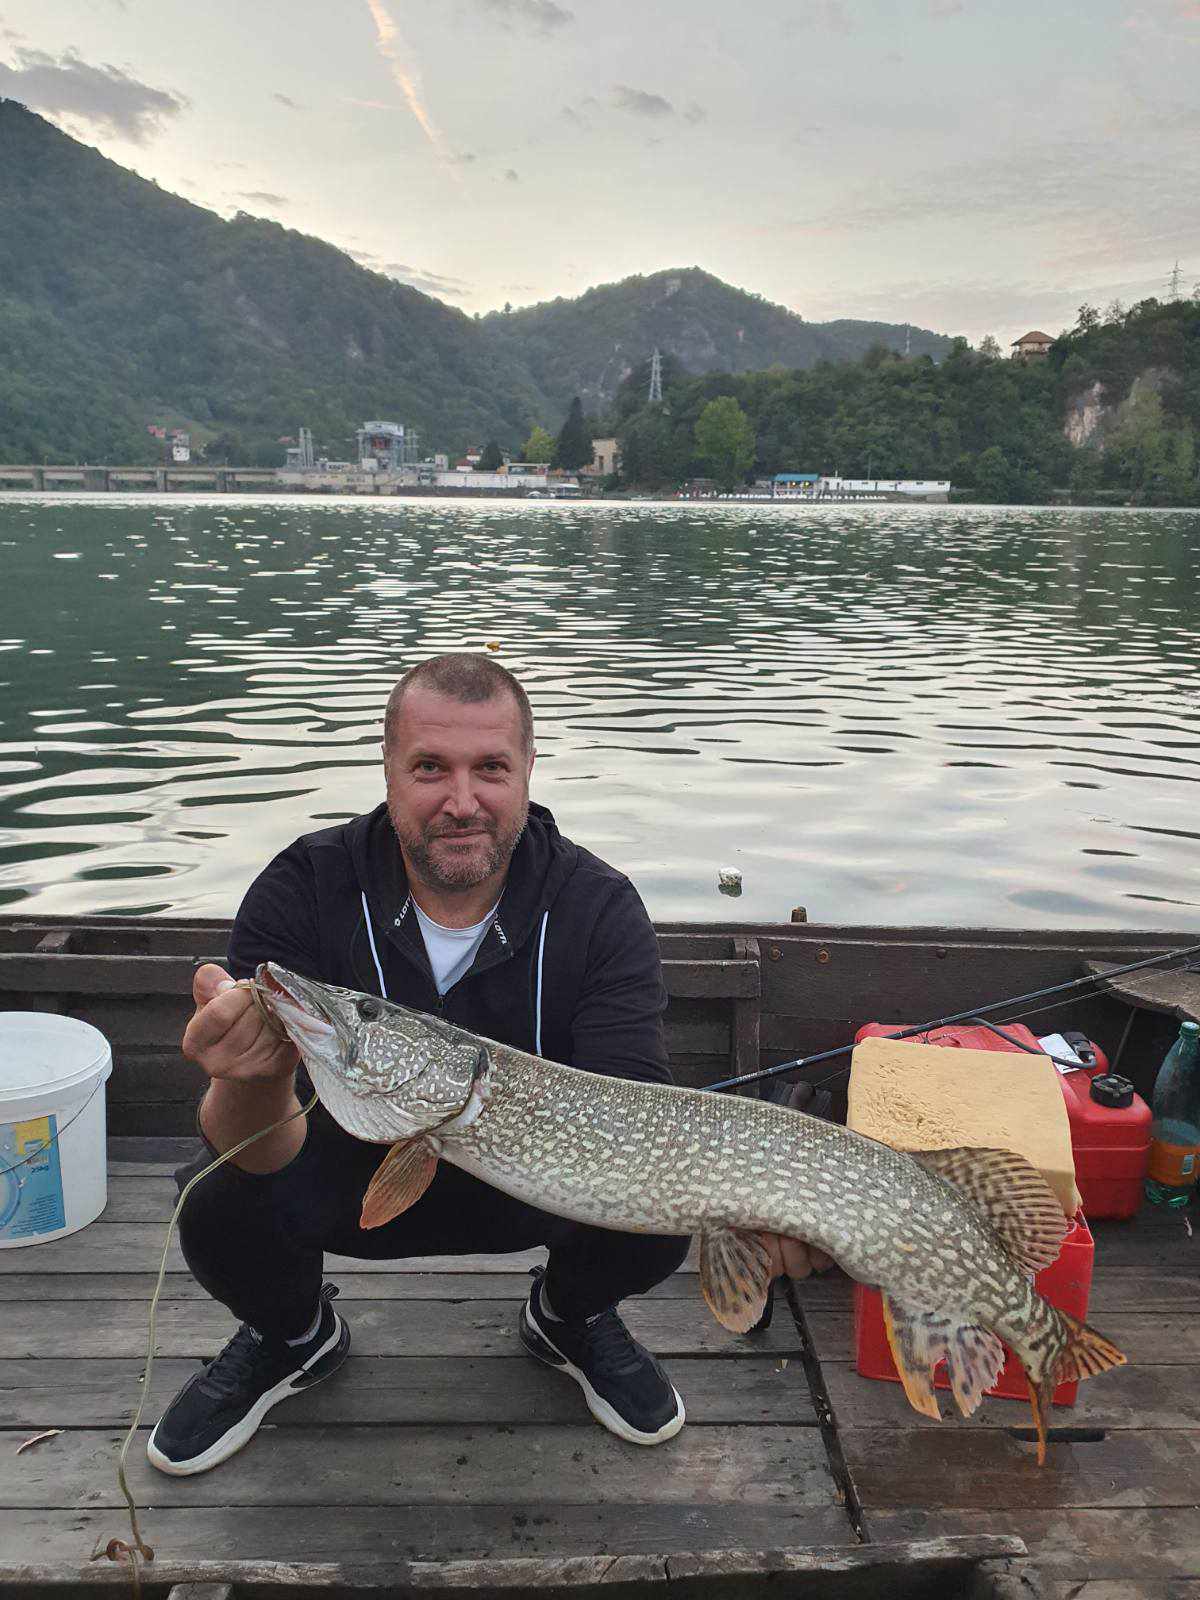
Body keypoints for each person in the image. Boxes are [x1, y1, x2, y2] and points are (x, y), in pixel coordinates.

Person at [147, 652, 826, 1477]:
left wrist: (754, 1213)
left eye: (490, 769)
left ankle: (569, 1316)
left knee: (664, 1210)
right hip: (344, 1177)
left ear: (529, 771)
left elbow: (641, 1112)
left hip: (549, 1188)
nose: (461, 801)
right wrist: (249, 1077)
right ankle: (294, 1334)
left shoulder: (599, 907)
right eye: (430, 767)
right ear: (389, 770)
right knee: (214, 1200)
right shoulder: (303, 888)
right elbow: (244, 1143)